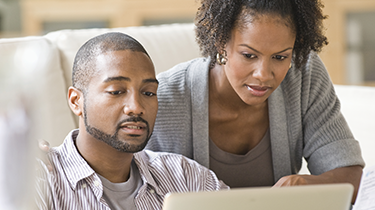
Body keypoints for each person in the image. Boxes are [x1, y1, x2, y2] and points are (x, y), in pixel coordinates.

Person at [145, 0, 364, 204]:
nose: (263, 74)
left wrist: (307, 184)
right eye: (249, 55)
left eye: (280, 57)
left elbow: (353, 178)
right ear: (221, 43)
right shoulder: (162, 99)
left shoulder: (303, 75)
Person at [35, 32, 228, 210]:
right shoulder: (37, 179)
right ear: (76, 101)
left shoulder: (187, 178)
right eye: (116, 92)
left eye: (148, 93)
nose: (136, 107)